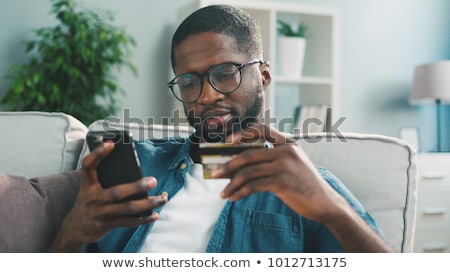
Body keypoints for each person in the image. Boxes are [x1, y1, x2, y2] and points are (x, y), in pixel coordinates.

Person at [52, 4, 393, 253]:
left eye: (226, 72)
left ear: (264, 76)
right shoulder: (140, 166)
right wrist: (73, 232)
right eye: (189, 82)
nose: (208, 95)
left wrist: (332, 210)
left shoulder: (309, 185)